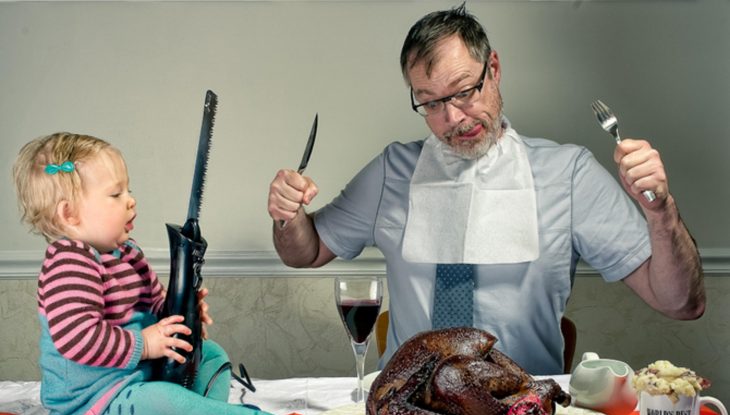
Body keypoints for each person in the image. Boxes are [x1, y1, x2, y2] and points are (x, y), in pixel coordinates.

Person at [267, 5, 705, 375]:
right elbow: (304, 251)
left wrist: (661, 212)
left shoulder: (568, 173)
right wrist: (288, 215)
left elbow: (682, 304)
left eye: (464, 92)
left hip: (524, 410)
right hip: (407, 403)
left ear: (493, 69)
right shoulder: (391, 171)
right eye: (431, 103)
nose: (453, 117)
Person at [13, 132, 294, 415]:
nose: (131, 200)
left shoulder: (128, 253)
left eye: (128, 190)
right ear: (69, 215)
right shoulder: (69, 261)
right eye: (116, 194)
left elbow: (155, 305)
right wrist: (146, 344)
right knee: (164, 402)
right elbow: (77, 337)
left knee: (212, 354)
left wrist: (181, 312)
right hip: (97, 405)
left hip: (139, 381)